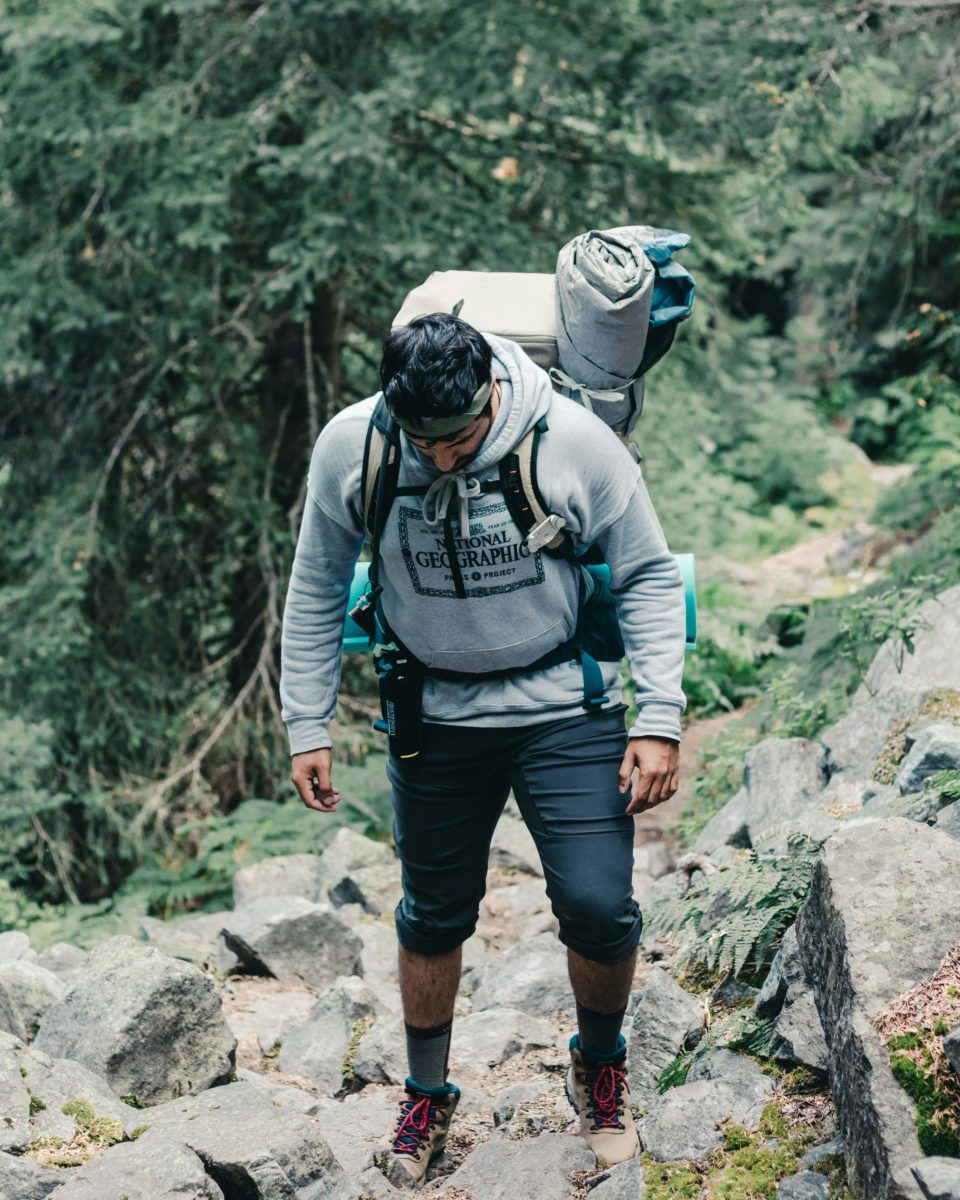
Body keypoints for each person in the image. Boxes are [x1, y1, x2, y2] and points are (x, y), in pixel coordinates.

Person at [279, 312, 686, 1187]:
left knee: (601, 907)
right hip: (432, 715)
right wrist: (304, 722)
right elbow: (315, 583)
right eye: (428, 444)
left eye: (461, 438)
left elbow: (648, 572)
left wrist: (659, 718)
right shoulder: (355, 449)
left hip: (564, 709)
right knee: (433, 916)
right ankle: (427, 1092)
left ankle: (601, 1065)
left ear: (491, 394)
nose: (448, 460)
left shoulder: (572, 442)